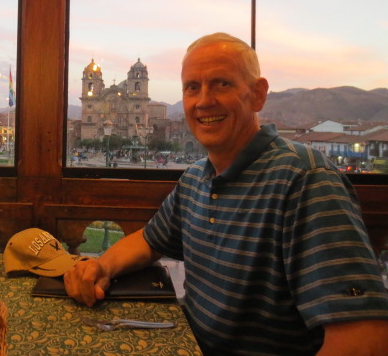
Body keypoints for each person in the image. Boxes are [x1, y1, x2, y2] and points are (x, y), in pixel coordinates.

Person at [64, 33, 388, 356]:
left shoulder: (306, 181)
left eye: (222, 84)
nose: (204, 101)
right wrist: (102, 267)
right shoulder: (195, 179)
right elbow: (150, 240)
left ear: (258, 95)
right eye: (192, 87)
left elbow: (364, 339)